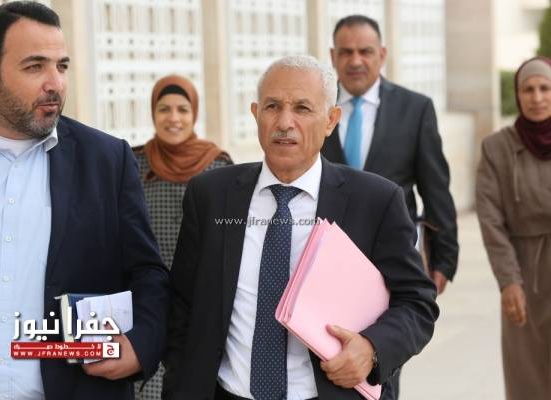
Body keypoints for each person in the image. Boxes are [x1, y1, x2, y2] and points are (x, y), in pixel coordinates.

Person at [163, 55, 438, 400]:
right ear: (255, 114)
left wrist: (372, 348)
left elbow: (417, 302)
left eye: (302, 108)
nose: (284, 122)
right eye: (272, 106)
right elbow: (182, 305)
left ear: (331, 120)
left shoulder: (375, 201)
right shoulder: (211, 195)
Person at [0, 2, 169, 399]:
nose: (55, 83)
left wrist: (140, 345)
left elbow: (148, 273)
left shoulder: (107, 160)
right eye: (35, 67)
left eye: (62, 66)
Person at [321, 15, 458, 295]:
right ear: (333, 56)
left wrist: (445, 261)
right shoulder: (314, 108)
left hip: (396, 259)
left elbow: (436, 191)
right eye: (346, 52)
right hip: (324, 262)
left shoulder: (415, 109)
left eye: (365, 51)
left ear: (382, 55)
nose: (356, 61)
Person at [133, 75, 231, 400]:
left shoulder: (218, 168)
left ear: (194, 114)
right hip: (144, 300)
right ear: (153, 113)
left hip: (196, 305)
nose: (173, 118)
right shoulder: (133, 163)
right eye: (164, 109)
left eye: (182, 109)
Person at [476, 56, 551, 400]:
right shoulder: (497, 148)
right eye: (528, 89)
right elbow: (491, 219)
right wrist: (508, 281)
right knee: (528, 378)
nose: (537, 97)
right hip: (525, 274)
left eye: (545, 88)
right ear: (518, 95)